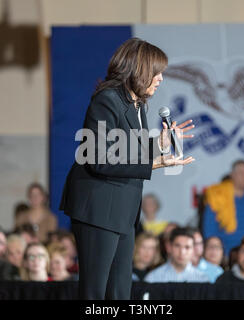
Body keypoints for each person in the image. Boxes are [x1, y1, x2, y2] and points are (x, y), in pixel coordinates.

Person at [59, 38, 195, 299]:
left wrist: (160, 143)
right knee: (95, 293)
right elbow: (99, 158)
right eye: (157, 72)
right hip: (98, 210)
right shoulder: (107, 100)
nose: (161, 79)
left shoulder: (140, 103)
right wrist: (155, 162)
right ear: (140, 70)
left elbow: (130, 149)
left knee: (120, 292)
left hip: (123, 211)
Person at [203, 160, 244, 255]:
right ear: (232, 175)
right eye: (242, 173)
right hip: (225, 253)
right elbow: (209, 229)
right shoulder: (217, 196)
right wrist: (217, 252)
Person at [144, 227, 209, 283]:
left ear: (193, 250)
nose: (182, 252)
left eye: (187, 247)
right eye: (177, 246)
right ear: (169, 247)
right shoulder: (153, 278)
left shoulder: (202, 279)